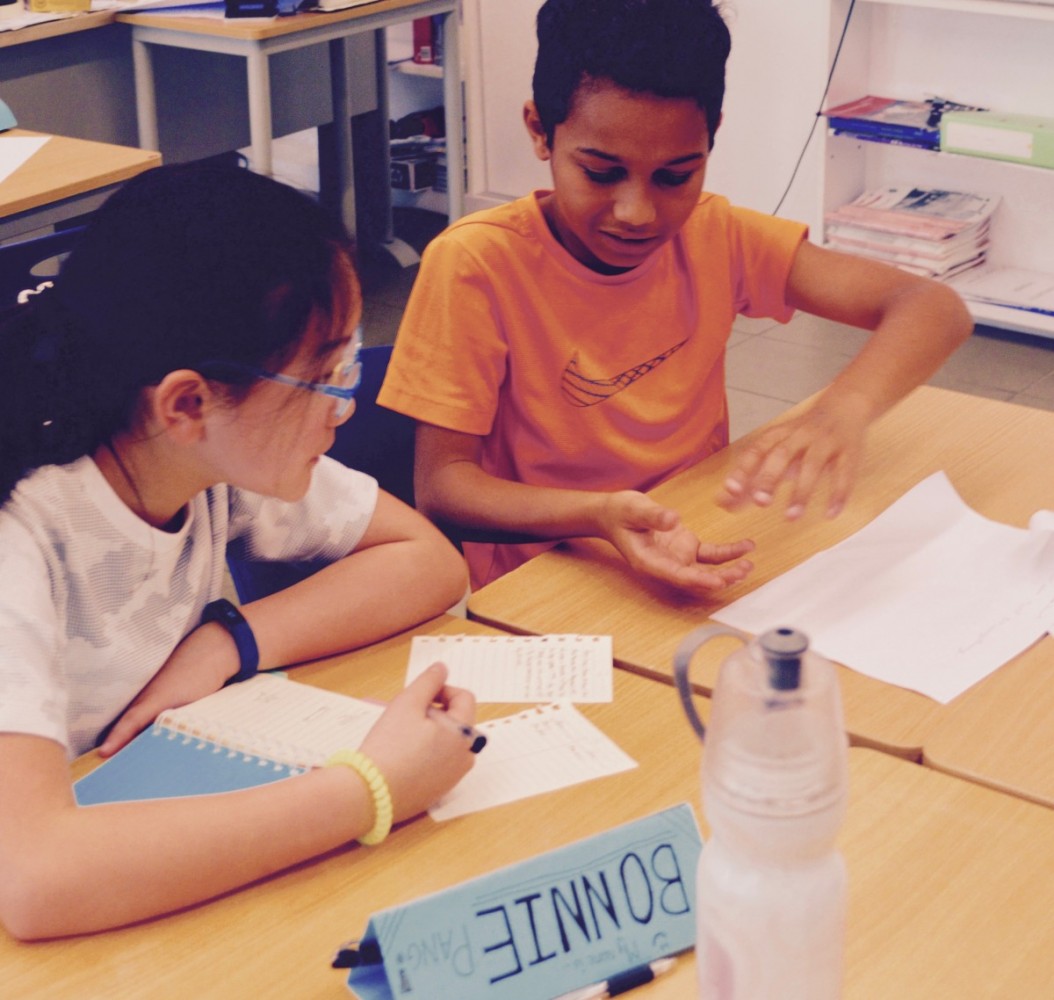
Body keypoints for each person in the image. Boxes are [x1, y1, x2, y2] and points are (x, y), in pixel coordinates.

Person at [0, 163, 476, 940]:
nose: (343, 406)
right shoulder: (22, 529)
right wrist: (370, 788)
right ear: (188, 402)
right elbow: (35, 880)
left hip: (124, 846)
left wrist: (227, 642)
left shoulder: (205, 458)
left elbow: (428, 562)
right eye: (324, 375)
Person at [377, 0, 973, 593]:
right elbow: (444, 487)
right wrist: (599, 515)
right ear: (540, 130)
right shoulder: (477, 263)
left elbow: (932, 307)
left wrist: (844, 408)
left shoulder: (717, 234)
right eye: (601, 173)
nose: (637, 213)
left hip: (695, 535)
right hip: (550, 574)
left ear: (711, 139)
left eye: (676, 176)